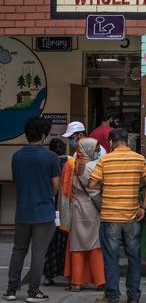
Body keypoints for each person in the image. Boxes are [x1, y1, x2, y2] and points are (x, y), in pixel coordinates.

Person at [88, 128, 146, 303]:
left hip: (110, 216)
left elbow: (92, 184)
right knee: (134, 257)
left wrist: (108, 184)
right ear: (127, 141)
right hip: (132, 216)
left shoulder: (105, 160)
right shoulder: (139, 159)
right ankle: (134, 297)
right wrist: (143, 207)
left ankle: (112, 296)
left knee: (111, 258)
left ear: (112, 142)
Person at [3, 118, 60, 302]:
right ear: (43, 135)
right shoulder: (51, 157)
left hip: (22, 210)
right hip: (43, 210)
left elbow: (16, 179)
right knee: (38, 252)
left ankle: (11, 290)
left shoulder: (17, 156)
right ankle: (33, 291)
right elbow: (56, 186)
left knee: (18, 250)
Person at [59, 138, 105, 292]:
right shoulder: (95, 166)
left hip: (76, 209)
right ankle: (100, 281)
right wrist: (102, 208)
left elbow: (65, 190)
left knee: (77, 245)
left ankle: (76, 282)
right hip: (93, 210)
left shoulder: (70, 164)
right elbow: (97, 192)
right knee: (95, 245)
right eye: (96, 147)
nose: (97, 150)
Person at [42, 138, 70, 286]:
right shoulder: (72, 163)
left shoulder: (48, 163)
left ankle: (48, 275)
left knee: (51, 241)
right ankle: (68, 273)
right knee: (67, 241)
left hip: (51, 207)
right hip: (68, 208)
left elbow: (53, 185)